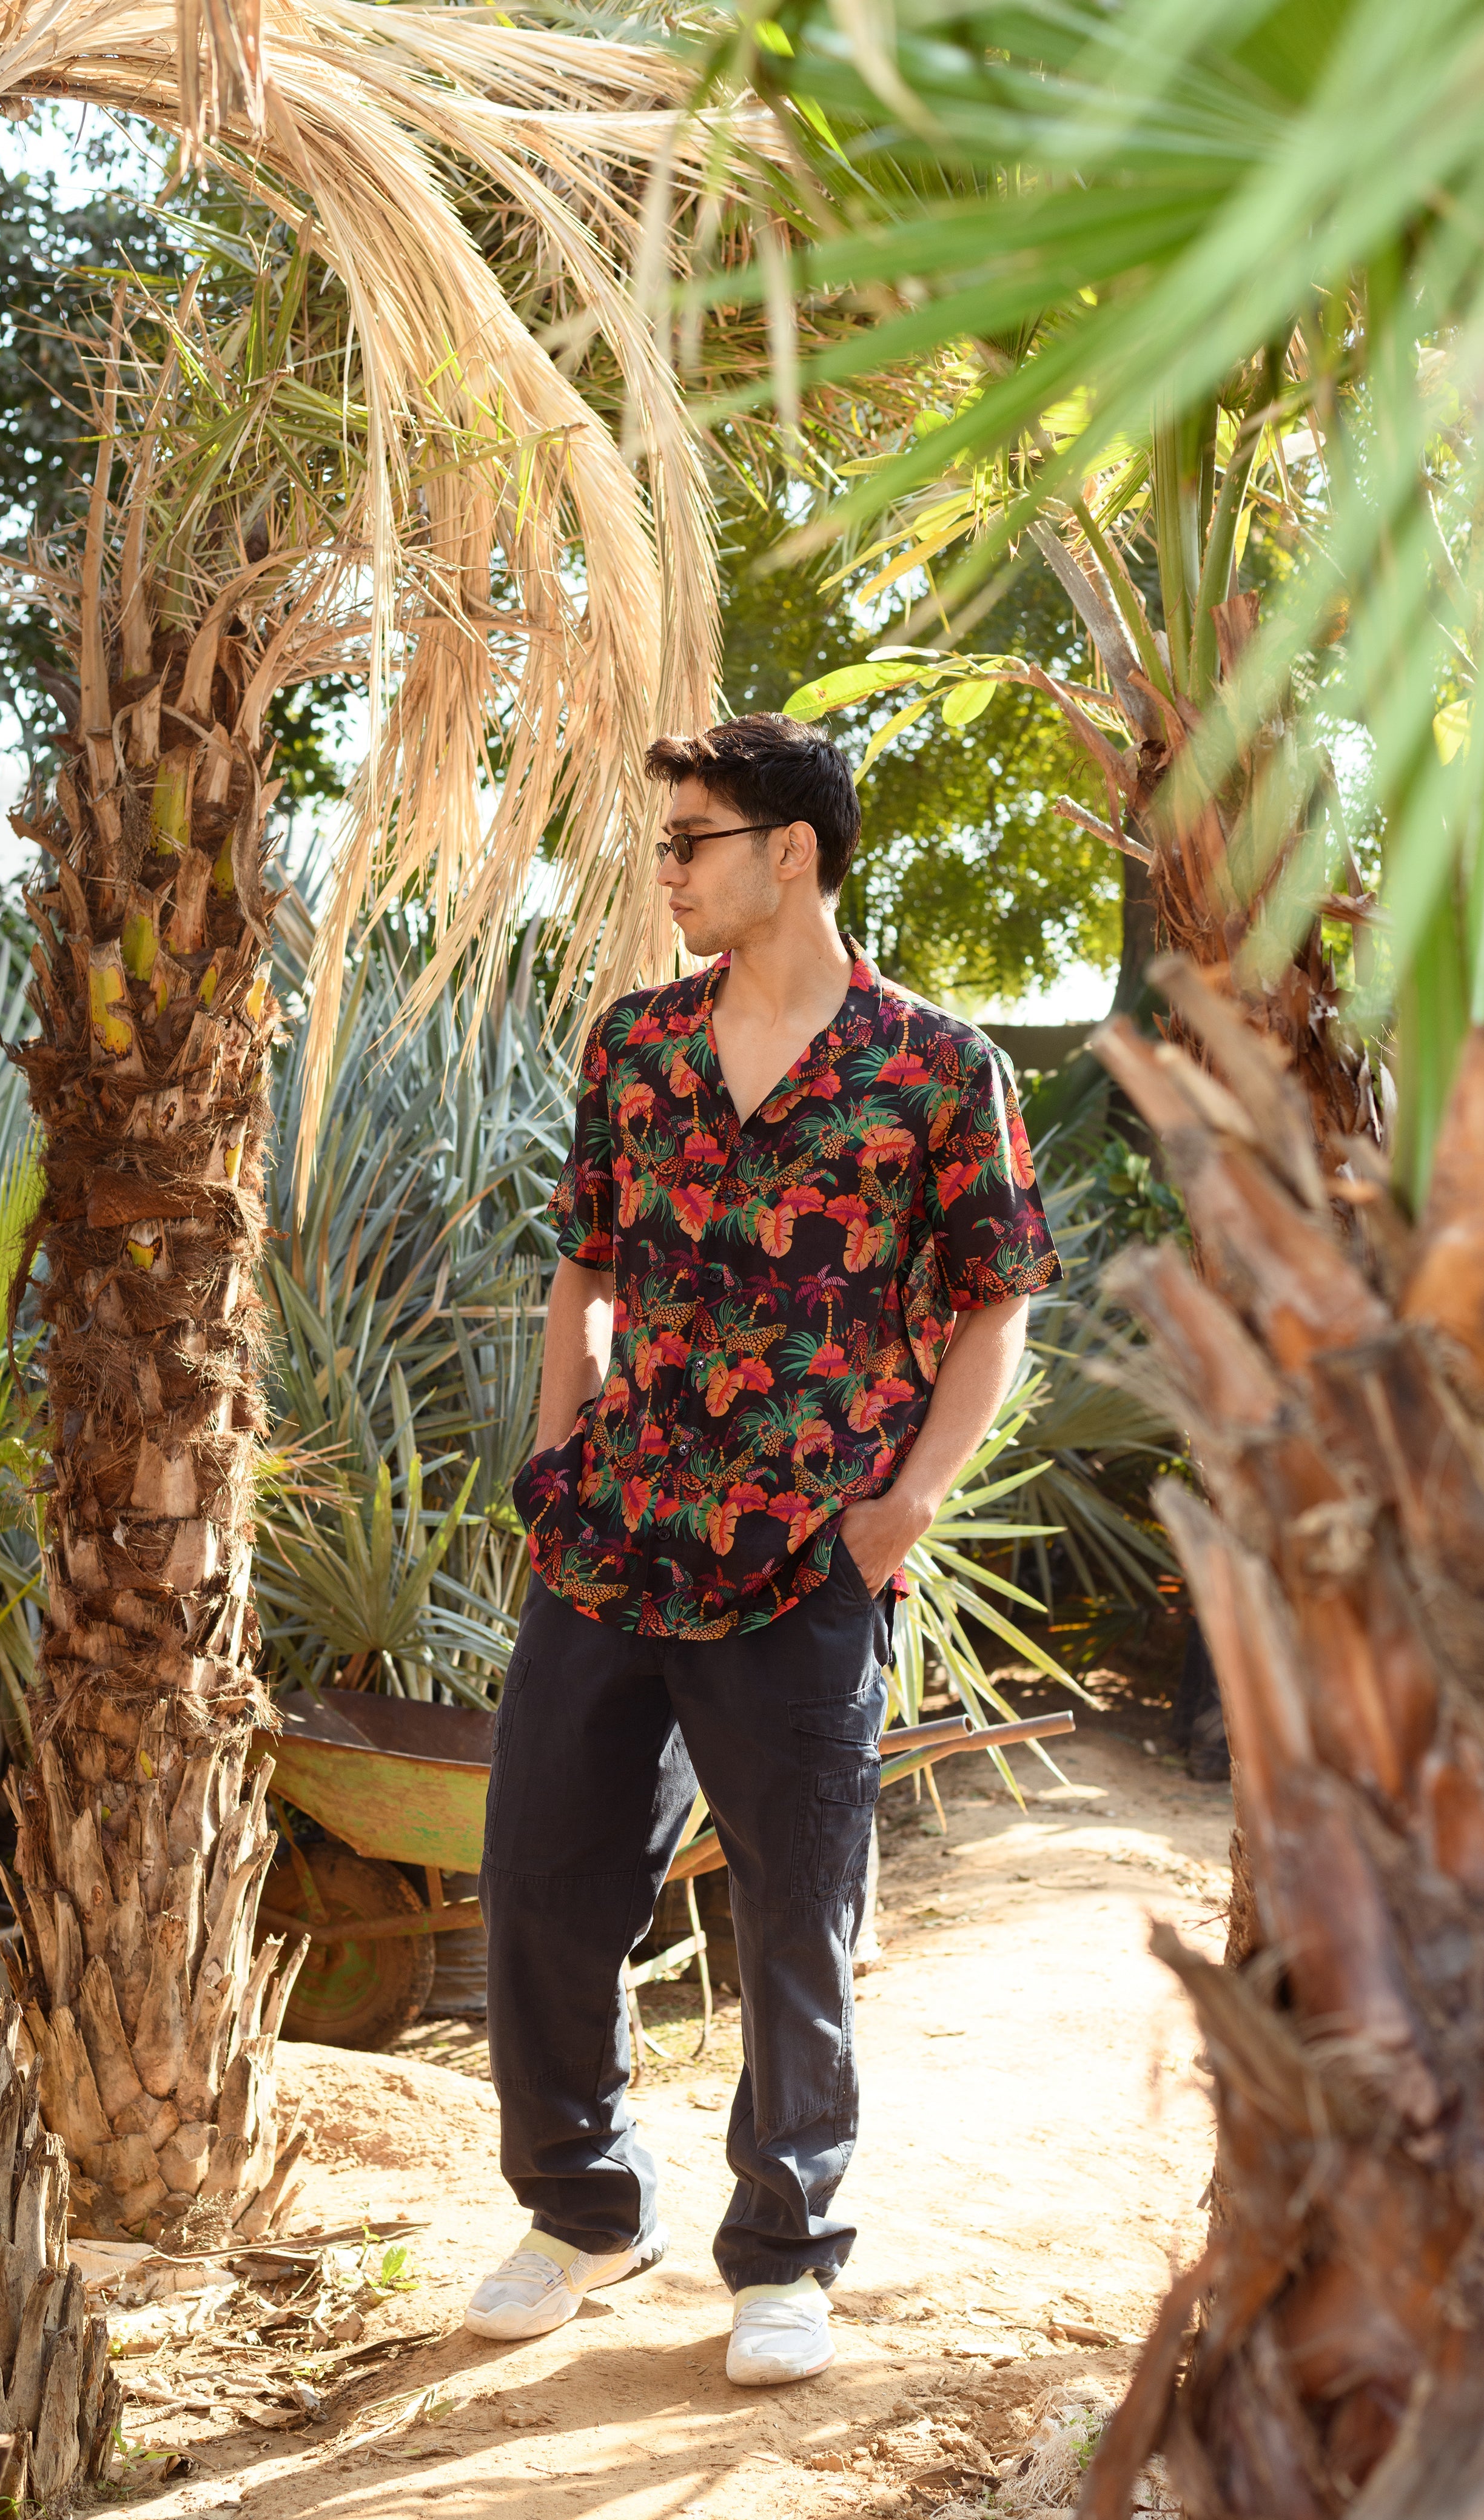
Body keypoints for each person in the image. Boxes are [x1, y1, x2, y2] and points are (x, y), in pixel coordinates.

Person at [466, 713, 1059, 2385]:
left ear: (790, 851)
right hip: (614, 1535)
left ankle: (783, 2247)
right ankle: (585, 2209)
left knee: (797, 1912)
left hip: (806, 1551)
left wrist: (908, 1504)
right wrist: (551, 1446)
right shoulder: (636, 1044)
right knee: (539, 1876)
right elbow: (584, 1261)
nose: (665, 871)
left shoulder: (939, 1069)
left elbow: (995, 1299)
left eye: (691, 842)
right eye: (663, 844)